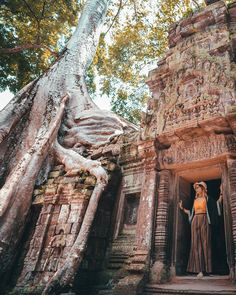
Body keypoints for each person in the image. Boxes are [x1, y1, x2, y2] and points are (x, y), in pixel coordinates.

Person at [179, 181, 223, 278]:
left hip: (204, 220)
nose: (196, 190)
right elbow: (191, 212)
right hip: (195, 221)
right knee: (196, 244)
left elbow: (216, 205)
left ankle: (207, 269)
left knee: (206, 243)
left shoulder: (207, 199)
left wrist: (221, 194)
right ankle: (199, 270)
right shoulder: (195, 200)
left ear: (203, 188)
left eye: (198, 188)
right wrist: (182, 208)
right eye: (196, 188)